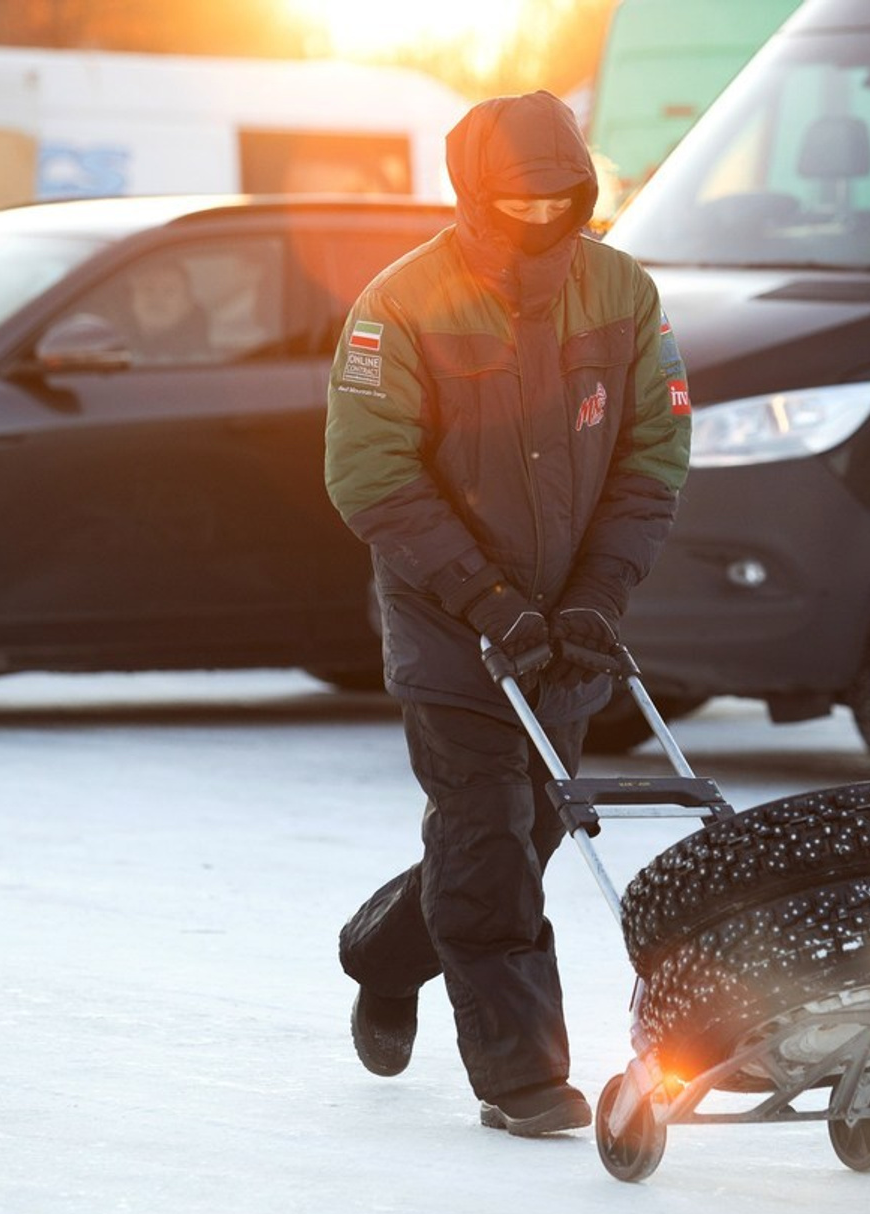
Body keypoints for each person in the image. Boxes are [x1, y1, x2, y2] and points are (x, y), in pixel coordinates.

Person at [324, 90, 691, 1138]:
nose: (538, 212)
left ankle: (383, 955)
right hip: (451, 625)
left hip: (566, 625)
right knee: (486, 837)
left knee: (521, 834)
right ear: (475, 192)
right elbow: (370, 475)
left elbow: (651, 454)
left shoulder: (620, 291)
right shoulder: (399, 304)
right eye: (515, 195)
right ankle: (523, 1075)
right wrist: (481, 597)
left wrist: (594, 595)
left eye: (556, 193)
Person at [124, 259, 210, 363]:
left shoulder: (197, 361)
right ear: (131, 301)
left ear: (186, 306)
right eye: (148, 289)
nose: (157, 298)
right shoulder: (110, 348)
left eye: (169, 291)